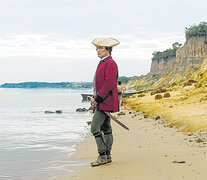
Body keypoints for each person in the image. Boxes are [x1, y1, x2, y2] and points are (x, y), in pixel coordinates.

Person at [90, 37, 120, 167]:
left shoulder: (110, 63)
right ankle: (107, 156)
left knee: (95, 128)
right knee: (106, 128)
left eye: (101, 48)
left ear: (108, 49)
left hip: (104, 101)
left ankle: (102, 156)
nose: (98, 50)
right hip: (103, 101)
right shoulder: (103, 62)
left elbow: (109, 84)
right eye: (97, 48)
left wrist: (96, 100)